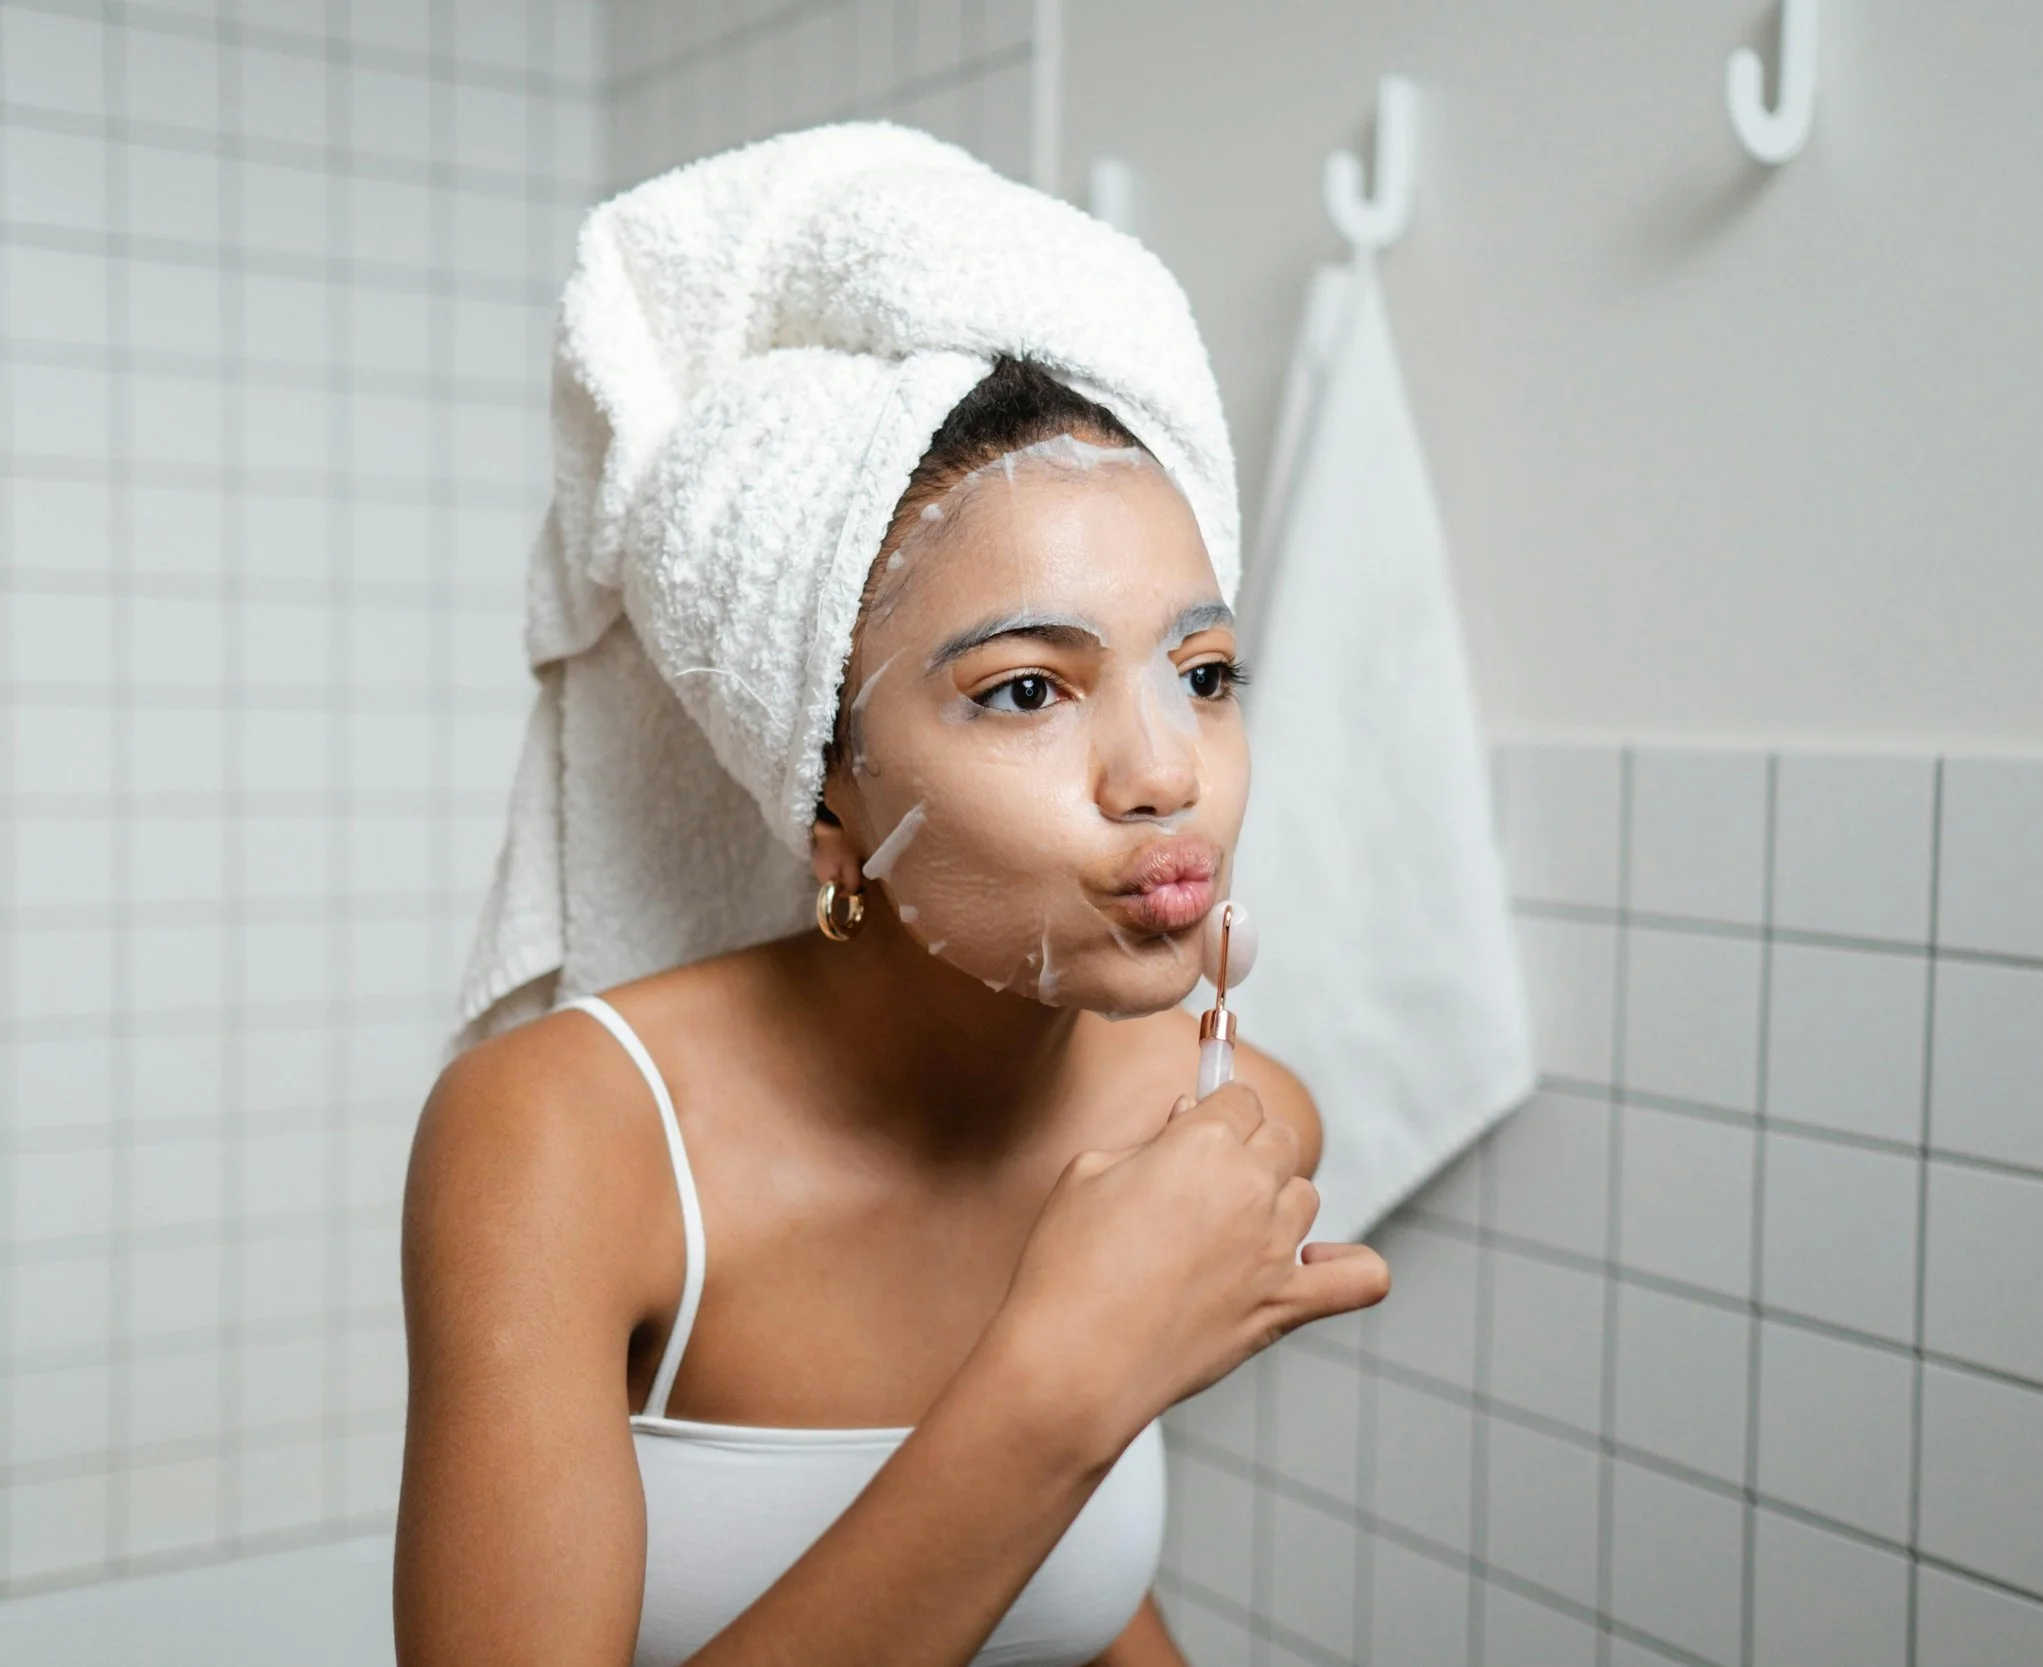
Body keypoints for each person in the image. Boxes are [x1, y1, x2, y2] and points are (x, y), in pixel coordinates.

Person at [393, 131, 1391, 1667]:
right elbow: (1028, 1471)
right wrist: (1064, 1374)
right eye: (1024, 690)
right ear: (829, 797)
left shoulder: (1225, 1127)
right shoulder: (560, 1139)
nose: (1166, 769)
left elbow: (1064, 1596)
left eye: (1202, 672)